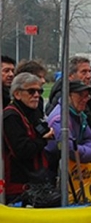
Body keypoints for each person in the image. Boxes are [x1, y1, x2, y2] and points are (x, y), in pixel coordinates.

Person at [2, 72, 55, 204]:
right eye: (31, 91)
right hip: (18, 188)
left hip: (37, 181)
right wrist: (43, 140)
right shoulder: (11, 116)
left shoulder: (32, 112)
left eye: (39, 91)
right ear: (17, 94)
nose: (37, 95)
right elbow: (22, 150)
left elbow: (43, 131)